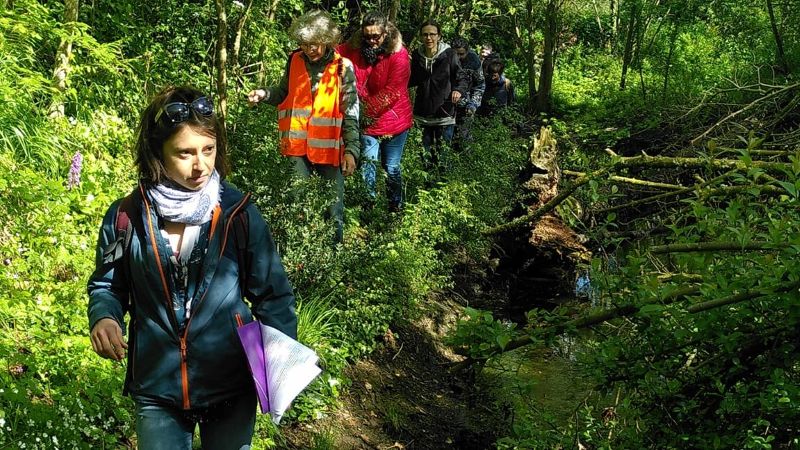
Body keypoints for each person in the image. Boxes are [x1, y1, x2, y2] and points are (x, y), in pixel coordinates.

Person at [88, 86, 297, 450]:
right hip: (156, 385)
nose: (200, 165)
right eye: (185, 153)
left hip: (232, 382)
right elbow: (107, 284)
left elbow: (273, 295)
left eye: (209, 149)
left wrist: (278, 372)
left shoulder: (239, 214)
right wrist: (104, 316)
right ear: (157, 152)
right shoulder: (126, 216)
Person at [247, 10, 360, 243]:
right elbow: (282, 93)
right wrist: (263, 94)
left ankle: (332, 259)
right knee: (296, 205)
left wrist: (351, 150)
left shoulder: (343, 66)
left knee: (332, 209)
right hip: (297, 147)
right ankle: (298, 257)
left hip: (330, 149)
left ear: (328, 40)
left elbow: (350, 110)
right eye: (305, 44)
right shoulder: (294, 59)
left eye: (315, 44)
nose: (310, 50)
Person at [337, 12, 412, 212]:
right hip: (367, 123)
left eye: (376, 36)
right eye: (367, 36)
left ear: (385, 33)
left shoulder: (399, 55)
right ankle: (367, 208)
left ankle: (395, 208)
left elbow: (392, 92)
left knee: (391, 167)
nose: (371, 41)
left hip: (393, 120)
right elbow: (333, 54)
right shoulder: (354, 48)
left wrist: (363, 113)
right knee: (368, 165)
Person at [408, 20, 468, 174]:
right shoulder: (417, 55)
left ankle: (442, 185)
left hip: (444, 113)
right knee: (425, 156)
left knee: (442, 157)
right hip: (422, 113)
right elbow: (411, 79)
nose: (429, 38)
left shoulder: (449, 55)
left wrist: (458, 91)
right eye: (425, 34)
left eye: (432, 34)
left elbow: (461, 77)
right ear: (421, 37)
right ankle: (426, 189)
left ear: (439, 36)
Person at [449, 37, 484, 152]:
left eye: (461, 54)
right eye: (455, 54)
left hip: (466, 105)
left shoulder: (474, 61)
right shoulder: (444, 58)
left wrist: (473, 104)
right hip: (445, 106)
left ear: (467, 52)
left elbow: (479, 85)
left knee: (464, 138)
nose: (458, 58)